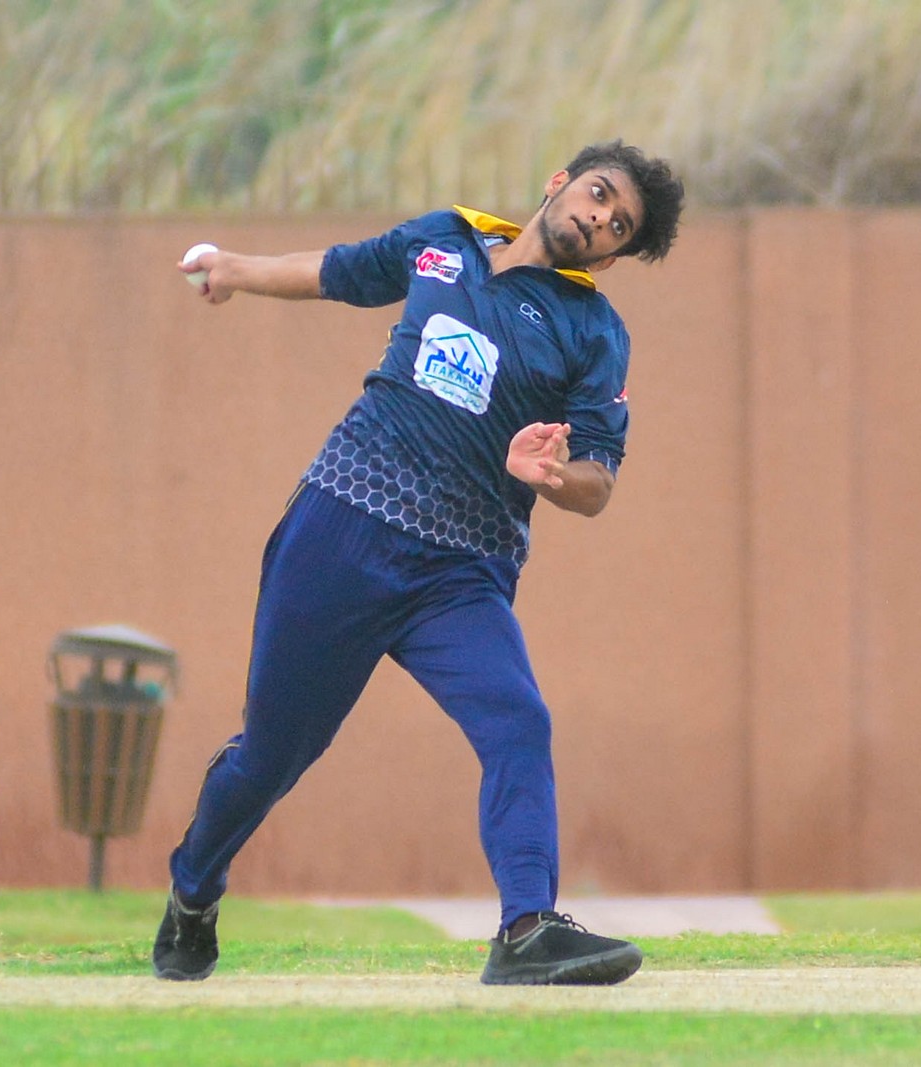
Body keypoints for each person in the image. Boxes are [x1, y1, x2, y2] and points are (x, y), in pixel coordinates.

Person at [153, 141, 683, 985]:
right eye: (597, 194)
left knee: (518, 721)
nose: (598, 219)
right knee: (271, 757)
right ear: (558, 182)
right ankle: (193, 889)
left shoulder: (594, 331)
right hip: (344, 525)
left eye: (618, 225)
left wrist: (554, 473)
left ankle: (526, 929)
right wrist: (235, 269)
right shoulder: (446, 237)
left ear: (615, 255)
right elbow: (338, 271)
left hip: (459, 572)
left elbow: (598, 482)